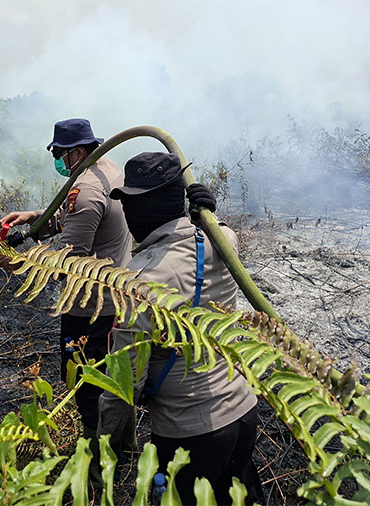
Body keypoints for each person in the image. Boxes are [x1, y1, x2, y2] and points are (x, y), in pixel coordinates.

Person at [97, 152, 263, 505]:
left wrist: (102, 448)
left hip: (192, 432)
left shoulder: (141, 281)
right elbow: (206, 244)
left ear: (139, 210)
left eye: (128, 207)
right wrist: (206, 218)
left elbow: (124, 383)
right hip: (244, 411)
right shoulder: (223, 240)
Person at [0, 118, 133, 442]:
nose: (57, 160)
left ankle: (95, 464)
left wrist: (21, 263)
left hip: (91, 306)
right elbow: (84, 219)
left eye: (59, 153)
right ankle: (125, 445)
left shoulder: (83, 189)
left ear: (77, 151)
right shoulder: (107, 167)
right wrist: (35, 218)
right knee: (117, 377)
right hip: (119, 295)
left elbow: (68, 263)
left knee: (86, 383)